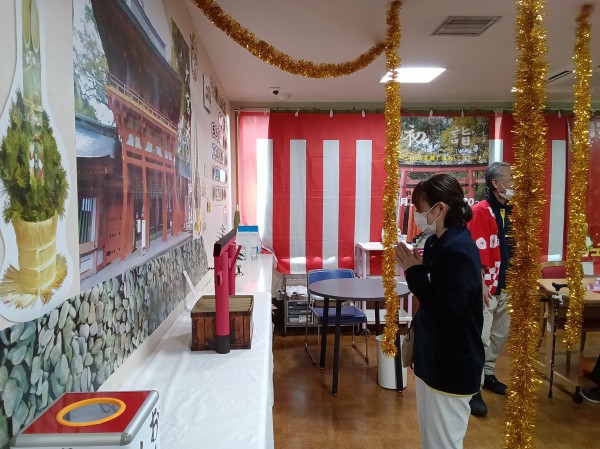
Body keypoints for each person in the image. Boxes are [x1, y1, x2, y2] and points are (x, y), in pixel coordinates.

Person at [395, 173, 484, 449]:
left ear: (440, 208)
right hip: (433, 358)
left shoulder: (458, 249)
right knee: (431, 439)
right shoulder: (437, 243)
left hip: (451, 363)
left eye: (420, 209)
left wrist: (414, 272)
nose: (418, 216)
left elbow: (447, 309)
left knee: (443, 442)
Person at [466, 161, 513, 417]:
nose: (514, 182)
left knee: (500, 333)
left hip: (508, 282)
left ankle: (488, 373)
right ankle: (473, 387)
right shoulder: (480, 211)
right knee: (481, 337)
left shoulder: (512, 210)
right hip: (487, 284)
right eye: (510, 178)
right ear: (496, 183)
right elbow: (477, 249)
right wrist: (482, 281)